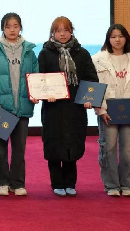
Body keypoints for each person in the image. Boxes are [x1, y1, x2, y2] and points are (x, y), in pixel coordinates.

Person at [36, 16, 98, 197]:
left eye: (66, 30)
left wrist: (90, 98)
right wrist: (46, 94)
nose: (62, 34)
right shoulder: (45, 53)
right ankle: (57, 183)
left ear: (71, 31)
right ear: (52, 33)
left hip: (75, 108)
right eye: (58, 31)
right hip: (53, 108)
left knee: (73, 144)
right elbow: (40, 79)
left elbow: (91, 78)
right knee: (54, 145)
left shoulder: (82, 53)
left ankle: (70, 183)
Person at [93, 24, 130, 197]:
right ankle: (111, 185)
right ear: (108, 39)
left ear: (126, 38)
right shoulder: (98, 59)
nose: (117, 40)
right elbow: (96, 86)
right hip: (108, 112)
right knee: (108, 148)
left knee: (128, 150)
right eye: (113, 36)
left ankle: (127, 185)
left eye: (120, 36)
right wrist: (101, 110)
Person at [0, 13, 38, 196]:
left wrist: (36, 94)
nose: (12, 30)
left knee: (19, 149)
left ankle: (18, 183)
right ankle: (2, 182)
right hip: (1, 107)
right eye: (8, 26)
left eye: (16, 26)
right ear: (3, 28)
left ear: (20, 27)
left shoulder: (29, 51)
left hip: (22, 107)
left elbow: (36, 77)